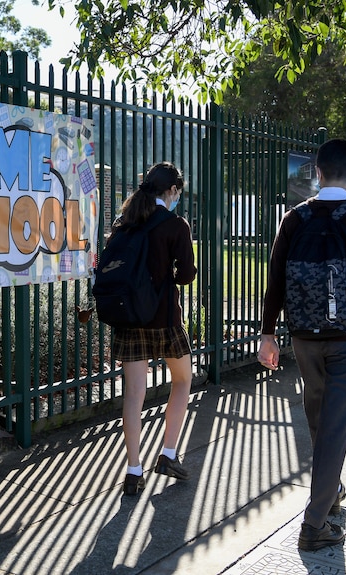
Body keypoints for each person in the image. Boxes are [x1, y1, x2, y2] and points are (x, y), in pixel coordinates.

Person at [257, 138, 346, 551]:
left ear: (317, 172)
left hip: (303, 337)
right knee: (334, 426)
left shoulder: (293, 219)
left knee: (320, 418)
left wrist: (268, 334)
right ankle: (315, 524)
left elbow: (276, 280)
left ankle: (330, 490)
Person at [111, 162, 198, 496]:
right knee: (182, 380)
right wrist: (171, 276)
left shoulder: (125, 222)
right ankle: (168, 453)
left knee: (134, 395)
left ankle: (134, 471)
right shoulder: (175, 224)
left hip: (129, 317)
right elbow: (187, 274)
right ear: (173, 191)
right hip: (163, 317)